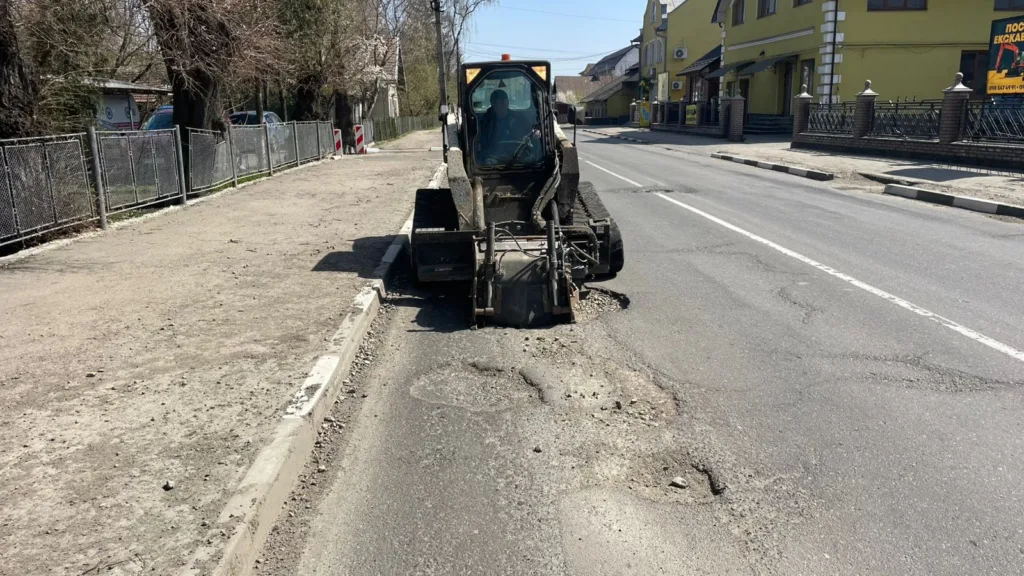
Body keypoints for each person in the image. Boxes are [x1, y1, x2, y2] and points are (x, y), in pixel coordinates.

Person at [478, 89, 530, 164]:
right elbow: (480, 143)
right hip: (493, 157)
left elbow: (531, 131)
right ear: (492, 104)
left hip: (517, 156)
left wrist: (536, 133)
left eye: (502, 102)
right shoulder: (485, 121)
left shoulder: (519, 118)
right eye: (496, 103)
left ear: (508, 102)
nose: (500, 106)